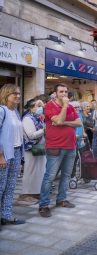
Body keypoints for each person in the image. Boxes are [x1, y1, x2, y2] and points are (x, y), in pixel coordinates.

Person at [39, 84, 81, 218]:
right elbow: (57, 120)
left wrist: (63, 123)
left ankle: (61, 199)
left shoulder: (69, 107)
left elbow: (79, 123)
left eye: (66, 91)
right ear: (55, 93)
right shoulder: (49, 106)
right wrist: (64, 108)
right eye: (61, 91)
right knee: (50, 176)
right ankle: (44, 205)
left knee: (66, 175)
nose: (64, 94)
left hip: (71, 146)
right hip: (55, 147)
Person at [0, 84, 26, 228]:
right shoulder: (1, 110)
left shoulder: (15, 111)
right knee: (0, 187)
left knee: (10, 187)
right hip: (4, 154)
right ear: (6, 94)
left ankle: (6, 215)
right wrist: (0, 156)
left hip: (16, 152)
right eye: (14, 93)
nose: (17, 96)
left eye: (18, 93)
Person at [18, 99, 46, 206]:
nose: (40, 108)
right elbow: (31, 135)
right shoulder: (28, 119)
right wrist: (44, 130)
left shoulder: (39, 118)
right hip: (31, 149)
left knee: (38, 171)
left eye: (41, 105)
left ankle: (34, 193)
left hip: (39, 148)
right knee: (30, 171)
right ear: (31, 107)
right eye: (38, 105)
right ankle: (25, 194)